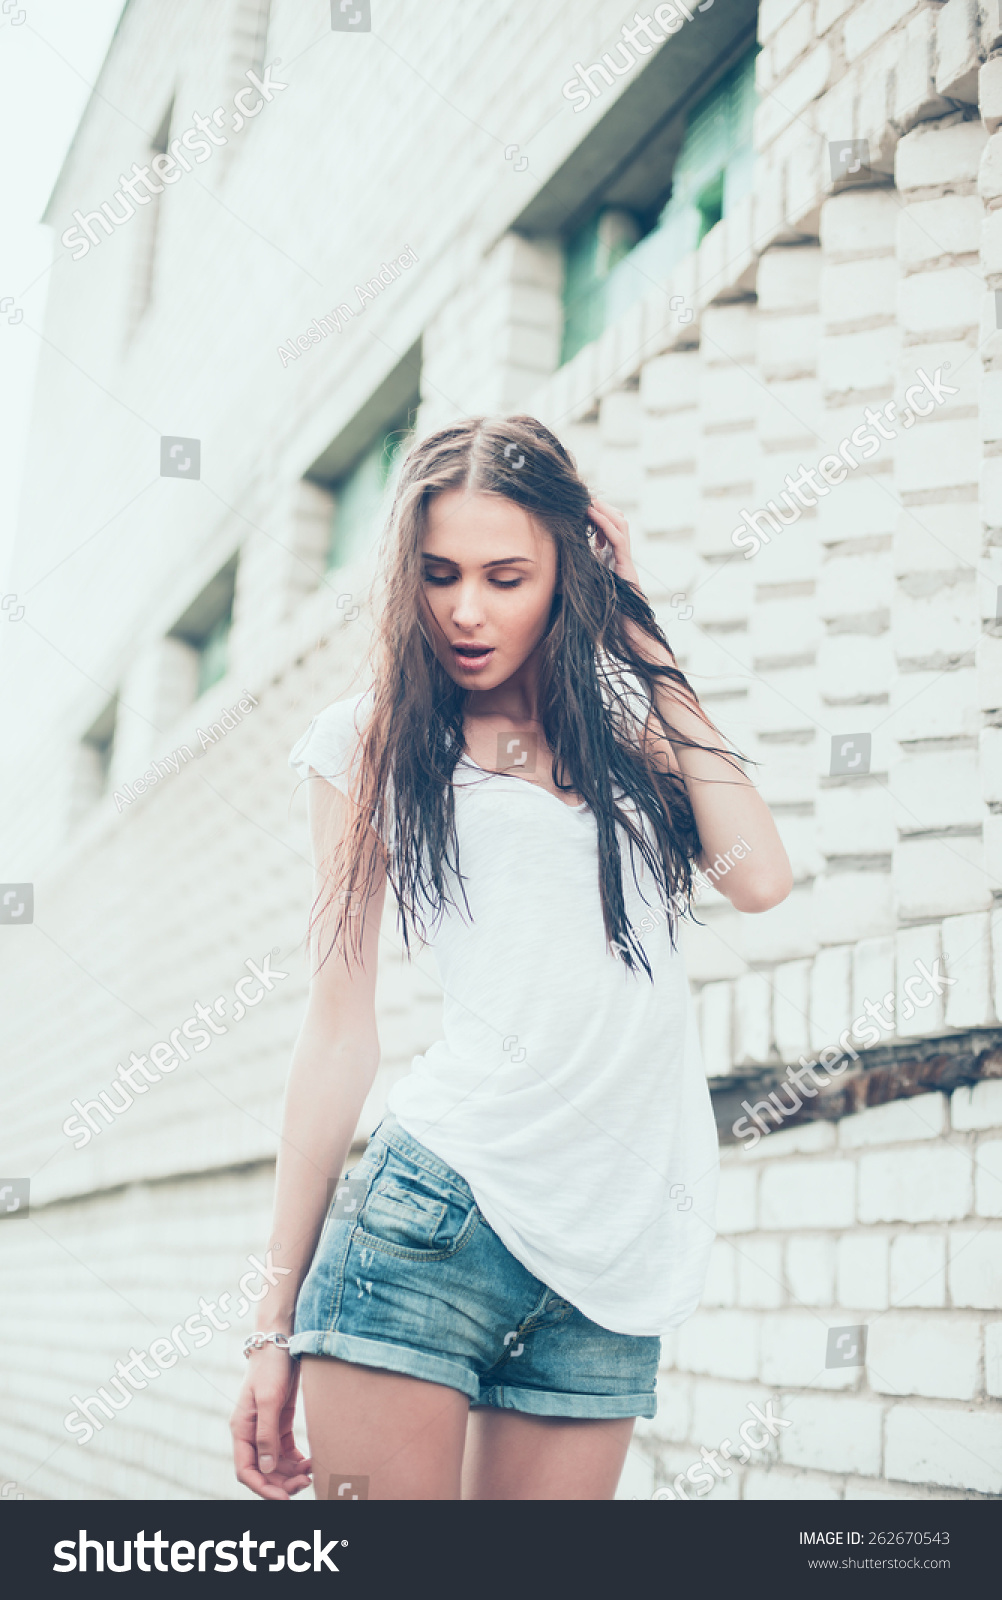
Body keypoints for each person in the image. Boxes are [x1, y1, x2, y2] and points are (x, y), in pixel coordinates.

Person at [229, 414, 793, 1501]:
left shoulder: (627, 744)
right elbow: (338, 1025)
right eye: (440, 575)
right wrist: (271, 1319)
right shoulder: (372, 742)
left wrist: (647, 643)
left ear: (571, 569)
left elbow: (759, 876)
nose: (468, 610)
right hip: (432, 1227)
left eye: (506, 574)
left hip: (610, 1265)